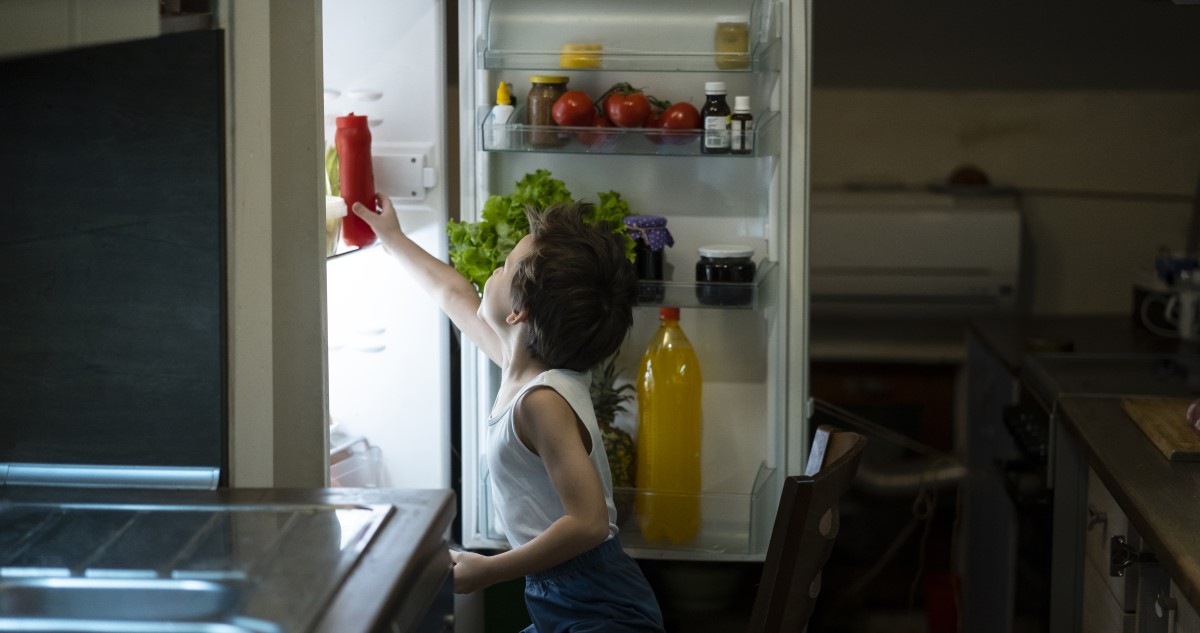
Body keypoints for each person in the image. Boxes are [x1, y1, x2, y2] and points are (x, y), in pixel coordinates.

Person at [352, 194, 664, 632]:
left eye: (504, 266)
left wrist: (490, 570)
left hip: (600, 608)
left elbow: (590, 522)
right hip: (565, 595)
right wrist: (393, 237)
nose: (493, 272)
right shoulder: (525, 371)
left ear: (519, 313)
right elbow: (453, 293)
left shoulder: (542, 402)